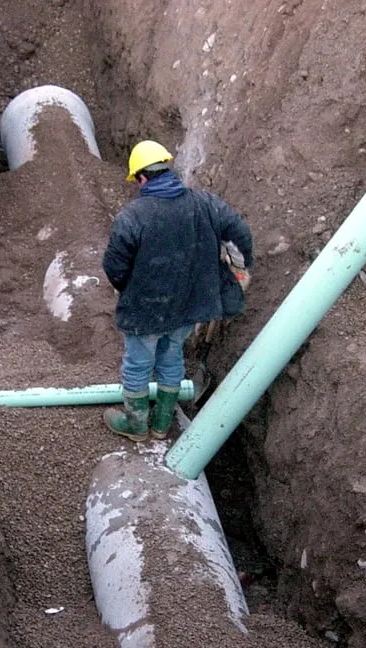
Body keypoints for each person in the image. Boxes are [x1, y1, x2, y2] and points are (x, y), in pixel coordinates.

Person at [102, 140, 253, 442]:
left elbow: (114, 267)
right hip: (189, 305)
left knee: (138, 363)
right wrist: (239, 266)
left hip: (146, 309)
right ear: (166, 168)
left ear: (142, 177)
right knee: (172, 357)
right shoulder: (205, 204)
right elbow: (239, 231)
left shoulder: (132, 217)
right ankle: (161, 424)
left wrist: (125, 289)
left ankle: (136, 424)